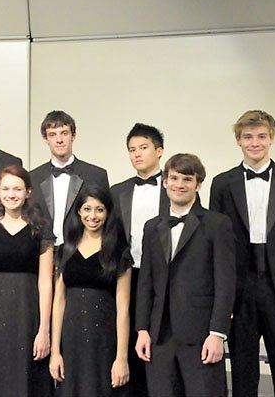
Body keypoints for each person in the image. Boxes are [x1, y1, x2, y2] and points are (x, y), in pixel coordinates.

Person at [209, 110, 275, 397]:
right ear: (238, 140)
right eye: (247, 137)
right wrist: (222, 297)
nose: (254, 143)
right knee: (242, 370)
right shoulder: (222, 183)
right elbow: (218, 245)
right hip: (240, 289)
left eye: (261, 136)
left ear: (272, 138)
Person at [135, 154, 235, 397]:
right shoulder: (152, 226)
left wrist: (217, 334)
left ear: (198, 185)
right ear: (165, 182)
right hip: (159, 335)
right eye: (174, 178)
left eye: (187, 179)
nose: (180, 184)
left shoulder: (217, 224)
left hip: (200, 334)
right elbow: (146, 282)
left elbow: (226, 283)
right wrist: (142, 329)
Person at [0, 165, 54, 396]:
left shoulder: (41, 229)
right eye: (5, 188)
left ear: (28, 192)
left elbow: (46, 282)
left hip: (28, 314)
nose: (11, 194)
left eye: (17, 189)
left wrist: (44, 329)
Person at [50, 185, 132, 396]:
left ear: (108, 213)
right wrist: (55, 352)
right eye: (87, 209)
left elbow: (123, 309)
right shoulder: (64, 250)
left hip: (104, 339)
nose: (92, 216)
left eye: (99, 209)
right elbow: (58, 302)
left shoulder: (119, 253)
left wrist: (121, 357)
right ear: (78, 211)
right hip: (71, 338)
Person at [110, 123, 168, 396]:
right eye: (132, 150)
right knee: (129, 343)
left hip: (166, 279)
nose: (137, 155)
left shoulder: (176, 187)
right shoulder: (118, 190)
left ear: (159, 151)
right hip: (128, 277)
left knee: (161, 346)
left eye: (143, 148)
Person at [30, 110, 109, 249]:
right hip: (40, 254)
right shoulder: (33, 177)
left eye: (64, 133)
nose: (59, 140)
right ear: (45, 139)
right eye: (52, 135)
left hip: (82, 253)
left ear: (73, 136)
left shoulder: (96, 175)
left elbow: (107, 220)